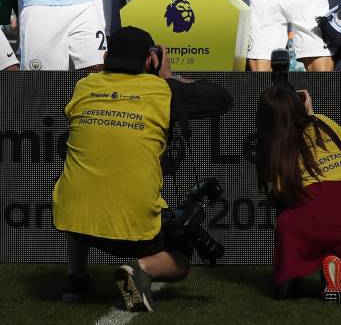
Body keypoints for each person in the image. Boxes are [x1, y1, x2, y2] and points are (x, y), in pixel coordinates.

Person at [54, 26, 233, 312]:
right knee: (181, 254)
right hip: (133, 229)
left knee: (83, 184)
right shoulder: (162, 90)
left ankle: (74, 278)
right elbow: (222, 98)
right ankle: (141, 269)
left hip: (72, 219)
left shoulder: (84, 86)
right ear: (150, 59)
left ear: (106, 56)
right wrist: (167, 76)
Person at [255, 83, 341, 301]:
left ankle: (290, 280)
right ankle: (340, 264)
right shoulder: (323, 122)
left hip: (304, 226)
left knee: (286, 222)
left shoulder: (276, 147)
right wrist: (311, 116)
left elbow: (283, 196)